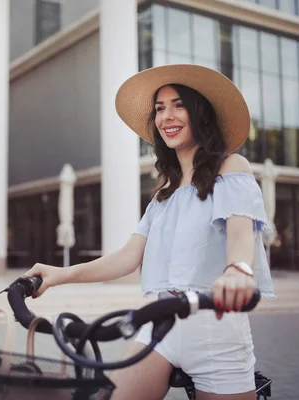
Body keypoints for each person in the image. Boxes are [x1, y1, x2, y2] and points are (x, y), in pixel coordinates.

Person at [24, 64, 276, 400]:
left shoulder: (231, 168)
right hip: (160, 326)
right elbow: (128, 257)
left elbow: (242, 235)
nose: (166, 116)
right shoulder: (164, 193)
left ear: (200, 112)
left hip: (216, 334)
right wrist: (58, 275)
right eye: (160, 109)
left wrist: (238, 271)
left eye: (178, 105)